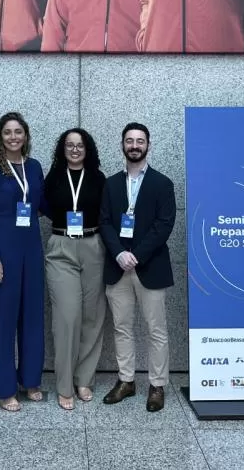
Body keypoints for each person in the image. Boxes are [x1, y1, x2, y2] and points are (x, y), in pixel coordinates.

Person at [99, 123, 176, 413]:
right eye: (129, 140)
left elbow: (164, 225)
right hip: (118, 266)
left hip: (149, 267)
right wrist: (119, 253)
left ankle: (157, 385)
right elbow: (104, 221)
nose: (134, 145)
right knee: (122, 328)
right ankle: (126, 381)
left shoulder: (162, 183)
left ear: (148, 145)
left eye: (140, 141)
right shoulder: (111, 184)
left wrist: (137, 255)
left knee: (156, 330)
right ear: (122, 145)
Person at [0, 112, 47, 411]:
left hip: (31, 247)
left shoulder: (34, 167)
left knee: (33, 316)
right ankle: (6, 388)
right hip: (4, 250)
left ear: (26, 135)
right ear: (0, 137)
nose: (13, 137)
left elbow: (42, 204)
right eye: (7, 132)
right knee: (4, 321)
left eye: (18, 132)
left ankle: (30, 379)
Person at [43, 128, 107, 410]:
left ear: (87, 148)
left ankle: (84, 379)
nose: (75, 149)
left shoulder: (99, 178)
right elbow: (42, 207)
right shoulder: (53, 177)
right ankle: (64, 385)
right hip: (61, 247)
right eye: (69, 145)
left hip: (93, 245)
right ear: (62, 149)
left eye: (80, 145)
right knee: (67, 316)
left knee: (92, 315)